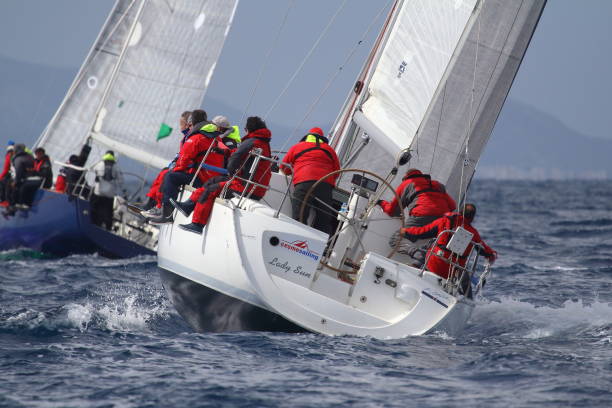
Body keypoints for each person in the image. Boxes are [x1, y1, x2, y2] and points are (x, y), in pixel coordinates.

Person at [169, 116, 272, 233]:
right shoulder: (262, 142)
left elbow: (236, 157)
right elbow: (238, 153)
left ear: (249, 129)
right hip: (250, 186)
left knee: (211, 190)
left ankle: (197, 224)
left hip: (246, 187)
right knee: (213, 181)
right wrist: (224, 152)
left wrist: (231, 171)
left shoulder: (252, 141)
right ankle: (188, 205)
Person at [145, 110, 228, 222]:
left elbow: (183, 161)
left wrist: (175, 170)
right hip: (213, 179)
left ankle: (166, 214)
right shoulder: (216, 137)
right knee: (171, 174)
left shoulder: (196, 138)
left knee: (170, 176)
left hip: (202, 179)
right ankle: (159, 207)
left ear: (192, 123)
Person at [401, 203, 497, 297]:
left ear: (459, 211)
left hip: (433, 266)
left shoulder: (444, 221)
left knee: (426, 248)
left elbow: (422, 232)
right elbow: (485, 251)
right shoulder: (474, 233)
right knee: (465, 278)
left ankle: (414, 270)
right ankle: (468, 302)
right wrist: (492, 254)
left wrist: (406, 231)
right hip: (451, 273)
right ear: (472, 218)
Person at [280, 127, 340, 235]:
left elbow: (284, 168)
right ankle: (321, 245)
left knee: (300, 215)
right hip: (325, 185)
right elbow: (337, 172)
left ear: (308, 137)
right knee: (324, 219)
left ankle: (297, 240)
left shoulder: (297, 147)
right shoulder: (330, 150)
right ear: (322, 138)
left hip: (304, 182)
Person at [131, 111, 193, 213]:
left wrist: (176, 166)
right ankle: (150, 201)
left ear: (187, 124)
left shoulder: (191, 138)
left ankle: (158, 205)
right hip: (180, 166)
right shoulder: (187, 138)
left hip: (186, 170)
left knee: (166, 175)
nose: (180, 127)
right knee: (163, 172)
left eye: (181, 124)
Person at [378, 168, 456, 227]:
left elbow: (392, 211)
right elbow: (453, 206)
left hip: (421, 218)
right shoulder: (437, 184)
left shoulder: (406, 184)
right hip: (444, 219)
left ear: (405, 178)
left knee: (396, 240)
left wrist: (381, 202)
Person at [90, 151, 124, 230]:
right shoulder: (116, 167)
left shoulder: (99, 164)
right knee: (108, 212)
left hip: (98, 192)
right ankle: (107, 228)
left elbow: (91, 172)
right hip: (109, 194)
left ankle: (92, 222)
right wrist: (112, 182)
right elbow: (121, 181)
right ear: (113, 156)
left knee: (94, 208)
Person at [6, 144, 41, 213]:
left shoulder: (18, 159)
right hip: (36, 179)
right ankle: (20, 204)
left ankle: (13, 207)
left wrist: (15, 182)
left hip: (29, 180)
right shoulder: (30, 157)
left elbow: (19, 173)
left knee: (12, 186)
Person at [0, 141, 15, 205]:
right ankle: (4, 200)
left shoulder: (9, 156)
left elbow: (5, 170)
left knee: (4, 182)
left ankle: (5, 200)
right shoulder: (12, 156)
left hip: (13, 176)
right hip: (13, 174)